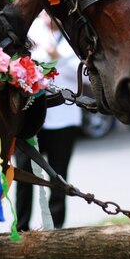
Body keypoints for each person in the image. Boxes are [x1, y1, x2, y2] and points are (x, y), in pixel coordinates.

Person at [15, 12, 82, 230]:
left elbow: (86, 75)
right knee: (24, 173)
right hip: (31, 116)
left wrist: (57, 56)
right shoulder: (30, 29)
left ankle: (56, 228)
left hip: (64, 119)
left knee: (59, 175)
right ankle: (21, 226)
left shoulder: (75, 35)